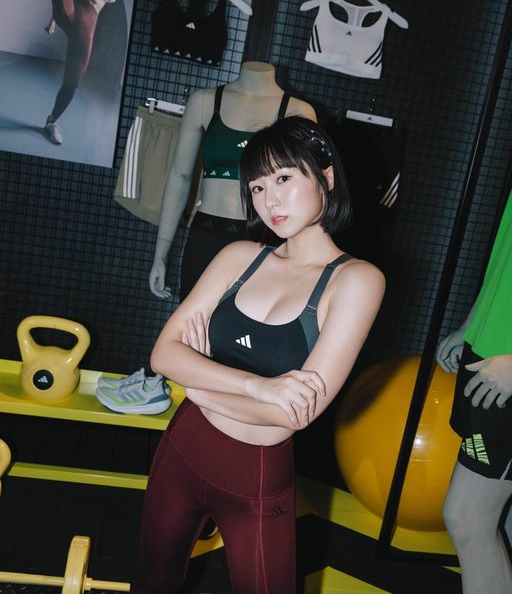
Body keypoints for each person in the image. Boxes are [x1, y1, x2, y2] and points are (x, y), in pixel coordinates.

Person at [132, 117, 385, 593]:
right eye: (257, 187)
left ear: (327, 177)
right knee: (153, 581)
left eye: (284, 179)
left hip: (257, 476)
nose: (270, 201)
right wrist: (259, 387)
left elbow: (296, 414)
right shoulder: (239, 256)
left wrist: (199, 385)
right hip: (184, 448)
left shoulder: (357, 280)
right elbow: (164, 354)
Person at [148, 61, 317, 302]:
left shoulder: (298, 112)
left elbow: (307, 191)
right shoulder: (204, 102)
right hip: (207, 235)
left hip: (263, 240)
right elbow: (179, 177)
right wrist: (161, 253)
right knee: (192, 321)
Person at [437, 189, 512, 594]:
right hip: (488, 355)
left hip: (506, 374)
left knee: (466, 516)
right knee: (501, 520)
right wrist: (472, 323)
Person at [27, 0, 123, 144]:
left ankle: (52, 122)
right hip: (69, 9)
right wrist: (53, 20)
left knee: (73, 81)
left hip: (87, 22)